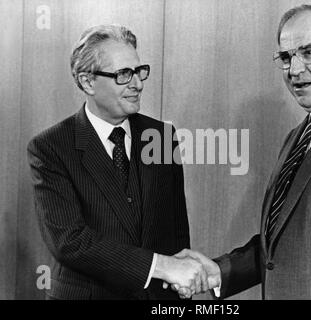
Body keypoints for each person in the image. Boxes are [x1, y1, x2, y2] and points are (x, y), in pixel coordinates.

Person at [175, 4, 311, 299]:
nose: (295, 69)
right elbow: (283, 243)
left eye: (309, 52)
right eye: (287, 57)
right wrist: (220, 273)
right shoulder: (297, 137)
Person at [27, 24, 208, 300]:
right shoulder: (50, 148)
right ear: (88, 82)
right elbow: (70, 241)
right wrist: (161, 267)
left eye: (139, 71)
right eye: (123, 74)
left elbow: (176, 230)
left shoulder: (161, 136)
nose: (137, 84)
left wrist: (181, 283)